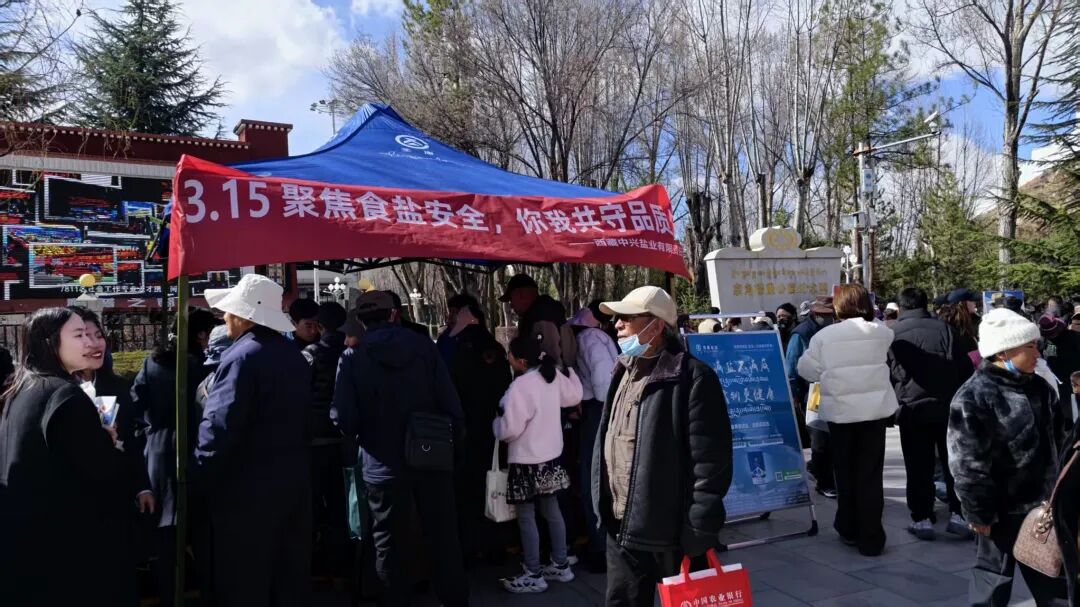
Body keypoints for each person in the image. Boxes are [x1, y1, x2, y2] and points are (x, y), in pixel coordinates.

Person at [593, 286, 733, 607]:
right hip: (621, 526)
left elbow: (710, 465)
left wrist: (699, 531)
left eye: (627, 317)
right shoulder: (623, 369)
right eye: (617, 317)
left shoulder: (694, 378)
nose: (617, 324)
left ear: (655, 326)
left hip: (669, 532)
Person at [331, 290, 469, 607]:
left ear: (361, 320)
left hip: (381, 462)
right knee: (443, 536)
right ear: (394, 314)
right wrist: (455, 447)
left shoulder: (352, 357)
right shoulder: (424, 347)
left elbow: (343, 416)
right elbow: (451, 403)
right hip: (431, 455)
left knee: (388, 543)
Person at [197, 274, 314, 605]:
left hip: (245, 489)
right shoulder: (292, 355)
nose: (224, 317)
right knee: (287, 577)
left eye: (229, 311)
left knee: (244, 579)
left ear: (244, 316)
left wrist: (199, 472)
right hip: (292, 482)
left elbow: (218, 426)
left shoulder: (240, 358)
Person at [0, 307, 129, 606]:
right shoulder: (65, 395)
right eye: (79, 335)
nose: (91, 342)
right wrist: (108, 441)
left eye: (92, 334)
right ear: (50, 341)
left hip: (24, 543)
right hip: (65, 547)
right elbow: (102, 470)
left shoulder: (22, 387)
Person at [948, 308, 1067, 605]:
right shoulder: (973, 395)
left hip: (1043, 510)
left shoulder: (1041, 388)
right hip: (999, 512)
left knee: (1054, 581)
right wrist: (979, 511)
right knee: (992, 582)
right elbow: (966, 463)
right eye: (1030, 346)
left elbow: (1060, 442)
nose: (1038, 353)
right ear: (1003, 351)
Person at [798, 284, 897, 557]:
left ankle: (849, 527)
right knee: (870, 476)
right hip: (874, 413)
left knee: (845, 473)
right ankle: (872, 537)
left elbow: (806, 369)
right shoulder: (882, 332)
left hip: (841, 414)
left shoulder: (825, 336)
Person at [130, 308, 217, 606]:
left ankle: (169, 596)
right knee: (203, 534)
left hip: (157, 451)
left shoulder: (152, 362)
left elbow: (135, 403)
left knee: (164, 536)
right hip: (197, 448)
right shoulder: (205, 367)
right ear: (201, 335)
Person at [495, 334, 583, 593]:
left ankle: (533, 573)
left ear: (521, 361)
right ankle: (561, 564)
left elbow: (508, 430)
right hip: (551, 457)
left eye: (510, 354)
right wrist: (569, 370)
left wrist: (496, 424)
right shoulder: (551, 376)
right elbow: (574, 396)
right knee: (552, 511)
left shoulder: (520, 386)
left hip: (525, 460)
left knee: (526, 517)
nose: (508, 358)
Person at [887, 288, 974, 541]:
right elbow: (964, 368)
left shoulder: (893, 334)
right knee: (952, 462)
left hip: (912, 408)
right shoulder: (946, 330)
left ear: (901, 307)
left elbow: (889, 372)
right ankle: (958, 514)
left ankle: (922, 518)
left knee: (917, 466)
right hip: (947, 407)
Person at [446, 298, 512, 564]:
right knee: (494, 483)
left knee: (468, 489)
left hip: (466, 429)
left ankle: (470, 546)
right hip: (494, 428)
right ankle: (497, 544)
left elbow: (451, 389)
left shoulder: (459, 349)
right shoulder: (495, 347)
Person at [302, 302, 351, 579]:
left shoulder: (311, 353)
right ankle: (342, 564)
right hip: (346, 439)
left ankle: (317, 564)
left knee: (314, 505)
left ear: (319, 326)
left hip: (315, 440)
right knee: (341, 505)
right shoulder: (352, 351)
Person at [569, 302, 619, 573]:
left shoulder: (587, 337)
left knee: (593, 477)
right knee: (598, 477)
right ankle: (604, 543)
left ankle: (601, 545)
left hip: (596, 410)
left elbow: (601, 381)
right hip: (599, 408)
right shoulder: (595, 336)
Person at [786, 296, 836, 497]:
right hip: (813, 391)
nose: (830, 318)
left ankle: (824, 473)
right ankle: (824, 482)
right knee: (819, 438)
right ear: (815, 314)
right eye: (825, 315)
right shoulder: (802, 334)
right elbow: (792, 366)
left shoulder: (834, 330)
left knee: (834, 440)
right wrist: (795, 394)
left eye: (832, 314)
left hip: (835, 390)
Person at [500, 273, 574, 365]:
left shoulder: (541, 316)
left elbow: (551, 363)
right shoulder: (537, 313)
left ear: (520, 295)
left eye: (511, 300)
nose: (511, 305)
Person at [437, 293, 481, 364]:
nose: (451, 316)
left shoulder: (480, 340)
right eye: (450, 312)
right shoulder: (443, 339)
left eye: (457, 312)